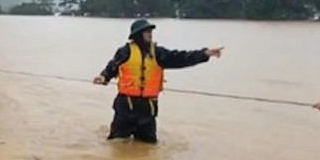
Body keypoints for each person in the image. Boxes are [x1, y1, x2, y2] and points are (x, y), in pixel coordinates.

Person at [93, 19, 223, 144]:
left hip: (147, 110)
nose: (150, 34)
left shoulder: (158, 53)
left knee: (149, 147)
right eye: (147, 31)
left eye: (151, 31)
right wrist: (104, 76)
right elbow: (112, 66)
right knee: (116, 144)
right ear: (138, 35)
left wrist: (204, 54)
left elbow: (181, 58)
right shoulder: (124, 52)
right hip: (125, 108)